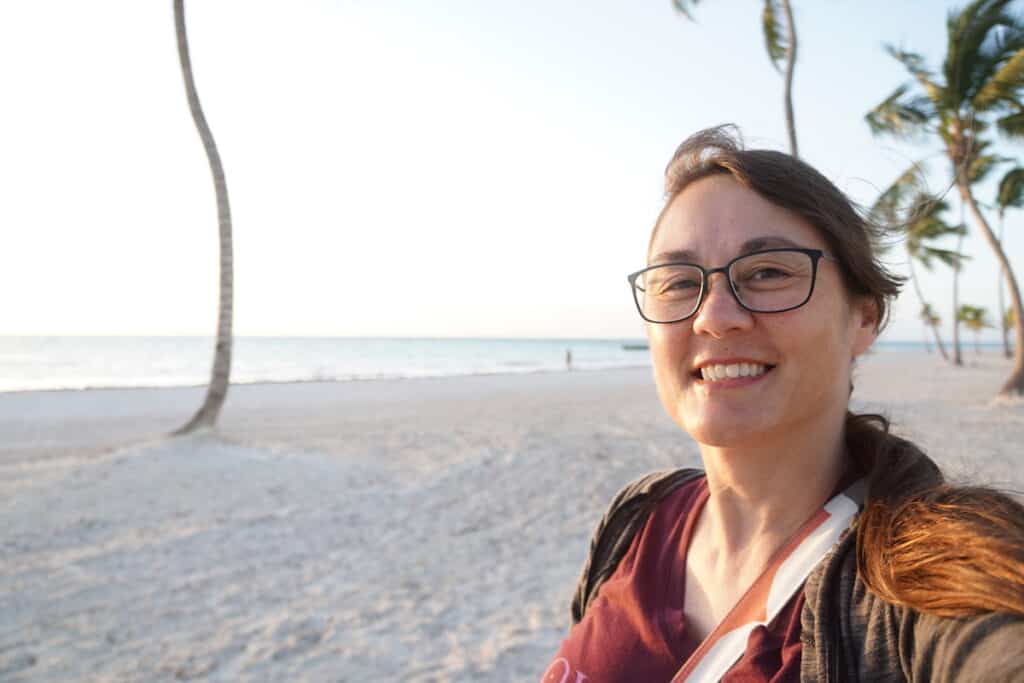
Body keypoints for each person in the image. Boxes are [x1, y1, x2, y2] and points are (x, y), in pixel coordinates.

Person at [542, 126, 1024, 682]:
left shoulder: (932, 574)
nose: (714, 315)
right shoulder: (636, 520)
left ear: (864, 317)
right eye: (678, 283)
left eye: (768, 273)